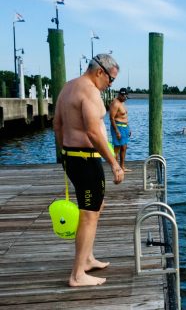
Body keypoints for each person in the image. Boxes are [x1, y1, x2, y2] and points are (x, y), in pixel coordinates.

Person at [53, 53, 124, 287]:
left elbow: (57, 125)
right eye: (111, 79)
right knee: (88, 214)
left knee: (95, 206)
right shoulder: (90, 92)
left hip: (73, 157)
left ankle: (88, 258)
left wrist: (64, 154)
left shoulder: (68, 87)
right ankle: (77, 274)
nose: (110, 85)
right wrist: (114, 164)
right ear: (100, 71)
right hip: (85, 160)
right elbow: (93, 133)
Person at [109, 88, 131, 172]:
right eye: (125, 96)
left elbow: (125, 116)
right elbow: (111, 118)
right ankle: (115, 167)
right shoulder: (115, 104)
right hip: (118, 127)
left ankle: (122, 167)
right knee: (116, 148)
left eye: (126, 96)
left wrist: (128, 128)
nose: (126, 98)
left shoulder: (123, 103)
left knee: (124, 147)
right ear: (120, 95)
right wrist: (117, 131)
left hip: (125, 127)